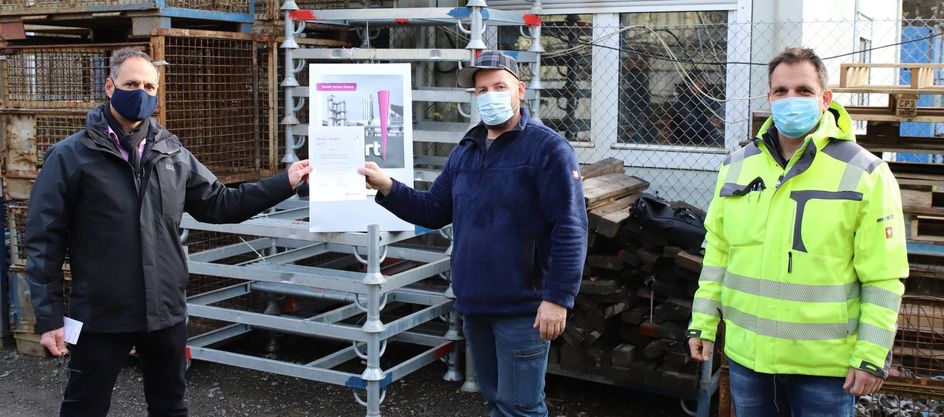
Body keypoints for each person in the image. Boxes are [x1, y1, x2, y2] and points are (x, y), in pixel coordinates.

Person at [25, 48, 312, 417]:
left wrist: (284, 183)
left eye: (149, 86)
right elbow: (44, 242)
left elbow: (220, 203)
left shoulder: (171, 153)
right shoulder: (70, 156)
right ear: (110, 87)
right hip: (102, 313)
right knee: (85, 406)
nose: (140, 93)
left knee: (170, 406)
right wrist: (49, 318)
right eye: (131, 84)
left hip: (165, 313)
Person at [358, 50, 588, 417]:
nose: (489, 96)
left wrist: (558, 298)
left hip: (523, 306)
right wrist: (387, 186)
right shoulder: (465, 151)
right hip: (475, 302)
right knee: (497, 400)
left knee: (522, 408)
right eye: (481, 90)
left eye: (499, 86)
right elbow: (434, 210)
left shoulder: (548, 150)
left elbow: (570, 227)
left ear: (521, 91)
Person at [687, 47, 908, 416]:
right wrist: (702, 324)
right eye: (782, 91)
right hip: (749, 360)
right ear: (769, 98)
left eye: (804, 91)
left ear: (825, 100)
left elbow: (884, 276)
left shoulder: (866, 174)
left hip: (825, 369)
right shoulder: (737, 167)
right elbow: (718, 255)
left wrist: (871, 354)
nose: (792, 100)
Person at [667, 69, 723, 146]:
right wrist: (711, 125)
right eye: (701, 83)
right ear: (693, 84)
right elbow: (692, 128)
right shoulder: (686, 103)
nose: (705, 86)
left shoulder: (696, 100)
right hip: (691, 143)